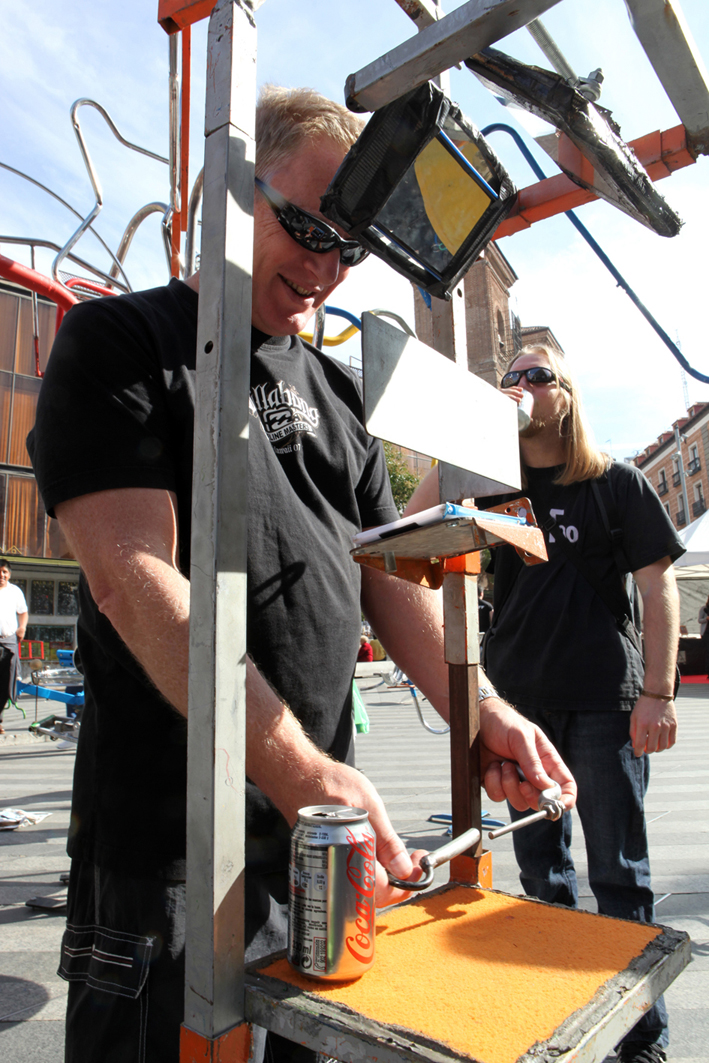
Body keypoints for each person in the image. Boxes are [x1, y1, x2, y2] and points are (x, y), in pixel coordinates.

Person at [27, 90, 575, 1063]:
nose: (326, 266)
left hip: (312, 836)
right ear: (227, 192)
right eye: (310, 227)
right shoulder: (123, 341)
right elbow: (128, 575)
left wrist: (479, 709)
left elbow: (386, 579)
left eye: (349, 246)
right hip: (170, 853)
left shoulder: (338, 393)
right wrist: (298, 769)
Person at [406, 344, 682, 1063]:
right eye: (510, 377)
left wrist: (657, 693)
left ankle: (640, 1040)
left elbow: (658, 587)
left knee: (619, 874)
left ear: (566, 396)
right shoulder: (491, 482)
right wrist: (471, 437)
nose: (520, 386)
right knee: (541, 876)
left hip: (603, 700)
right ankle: (560, 1021)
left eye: (537, 376)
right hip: (517, 703)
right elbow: (409, 529)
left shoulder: (614, 481)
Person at [0, 558, 28, 734]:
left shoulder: (15, 591)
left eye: (5, 572)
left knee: (6, 683)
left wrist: (22, 627)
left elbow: (23, 612)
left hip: (9, 641)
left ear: (9, 574)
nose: (2, 575)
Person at [699, 594, 709, 675]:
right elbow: (699, 620)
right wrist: (706, 619)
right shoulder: (704, 609)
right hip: (706, 633)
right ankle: (707, 669)